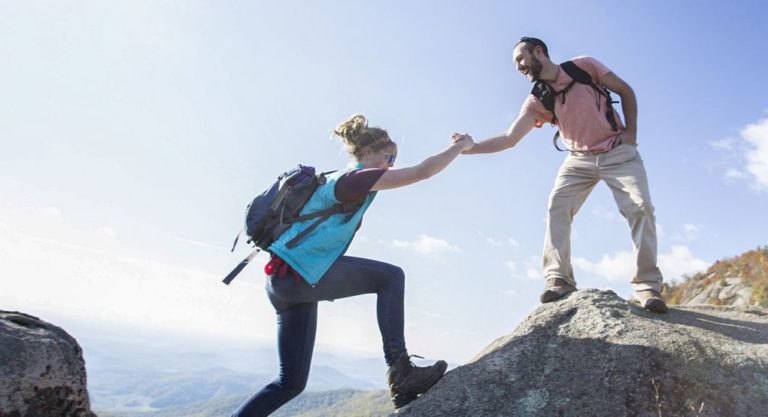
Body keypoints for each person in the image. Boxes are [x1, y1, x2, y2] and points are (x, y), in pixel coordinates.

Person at [232, 114, 475, 417]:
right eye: (389, 157)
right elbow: (423, 172)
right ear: (368, 152)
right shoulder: (355, 178)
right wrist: (460, 146)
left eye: (394, 159)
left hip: (285, 283)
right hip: (298, 276)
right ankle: (401, 373)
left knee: (290, 383)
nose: (391, 165)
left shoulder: (338, 179)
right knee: (390, 277)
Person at [456, 37, 667, 314]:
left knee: (640, 208)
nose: (518, 66)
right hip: (578, 160)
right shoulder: (538, 99)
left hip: (618, 153)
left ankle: (647, 286)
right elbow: (510, 138)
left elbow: (626, 91)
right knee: (557, 206)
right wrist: (471, 148)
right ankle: (559, 279)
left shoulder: (584, 66)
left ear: (539, 52)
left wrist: (631, 134)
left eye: (521, 59)